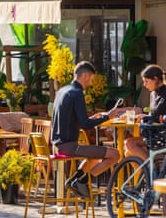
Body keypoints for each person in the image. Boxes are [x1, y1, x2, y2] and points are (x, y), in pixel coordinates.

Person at [51, 61, 120, 198]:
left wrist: (93, 118)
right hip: (70, 147)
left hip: (57, 145)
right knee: (115, 154)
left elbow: (72, 118)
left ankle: (74, 180)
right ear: (86, 75)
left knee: (93, 158)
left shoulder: (62, 91)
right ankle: (82, 181)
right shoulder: (77, 93)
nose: (91, 83)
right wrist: (107, 117)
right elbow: (86, 125)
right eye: (92, 79)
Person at [125, 64, 166, 160]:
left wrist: (149, 118)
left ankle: (151, 167)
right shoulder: (153, 94)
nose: (145, 85)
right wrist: (142, 116)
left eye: (146, 81)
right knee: (129, 153)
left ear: (155, 79)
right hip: (152, 133)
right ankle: (148, 172)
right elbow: (153, 115)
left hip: (164, 135)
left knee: (129, 143)